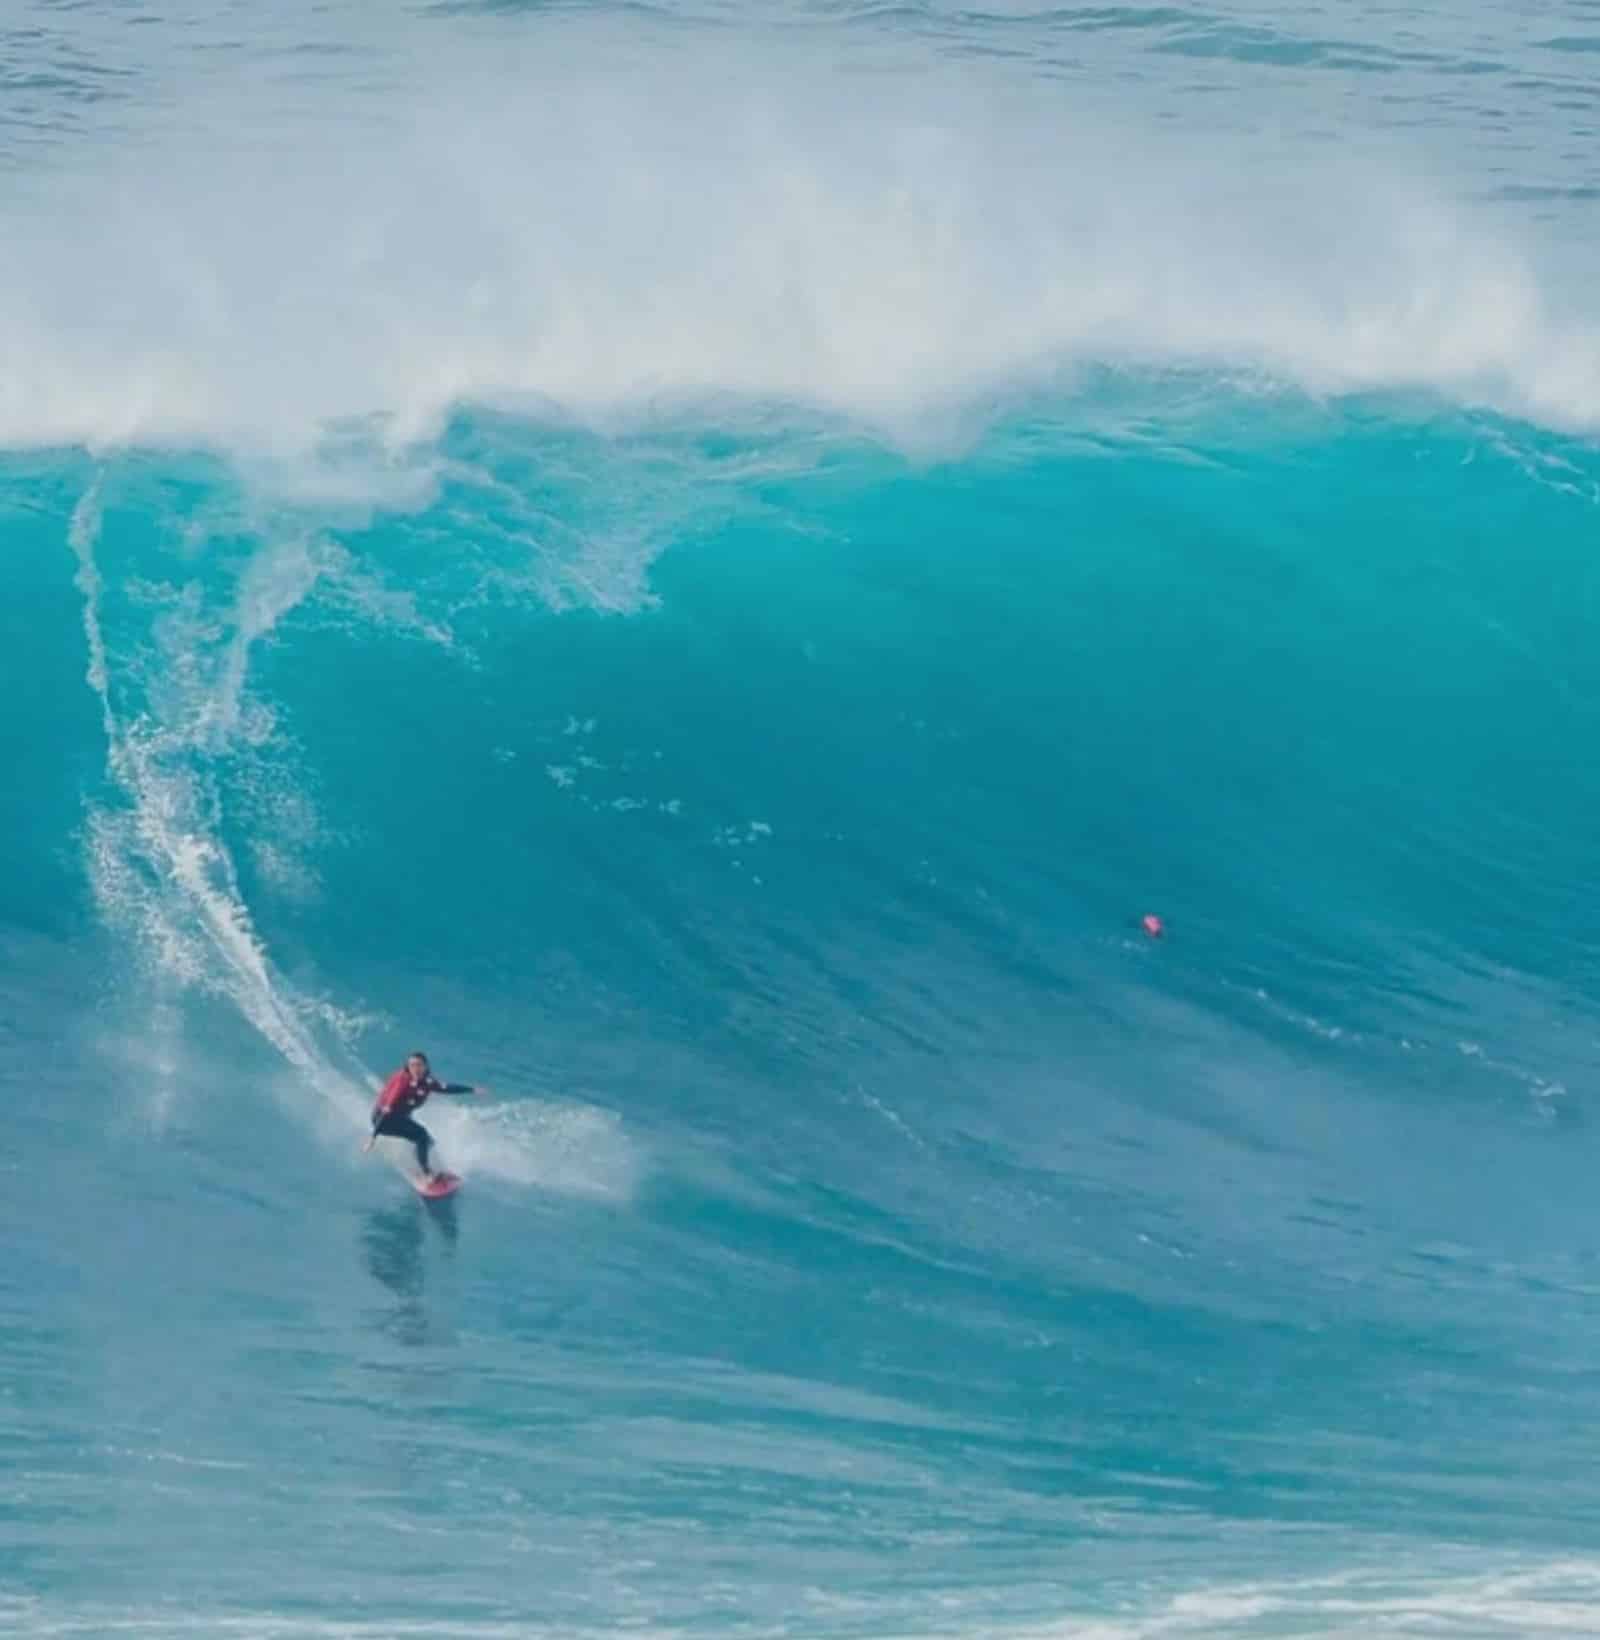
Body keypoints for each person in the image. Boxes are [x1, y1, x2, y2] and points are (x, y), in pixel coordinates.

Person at [362, 1051, 479, 1181]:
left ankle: (435, 1169)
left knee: (428, 1141)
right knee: (421, 1136)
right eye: (412, 1065)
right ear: (408, 1066)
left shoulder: (427, 1081)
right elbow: (388, 1108)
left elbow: (446, 1088)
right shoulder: (403, 1082)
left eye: (419, 1065)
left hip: (400, 1117)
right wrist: (373, 1136)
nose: (416, 1069)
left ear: (426, 1066)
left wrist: (471, 1089)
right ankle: (426, 1172)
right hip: (384, 1120)